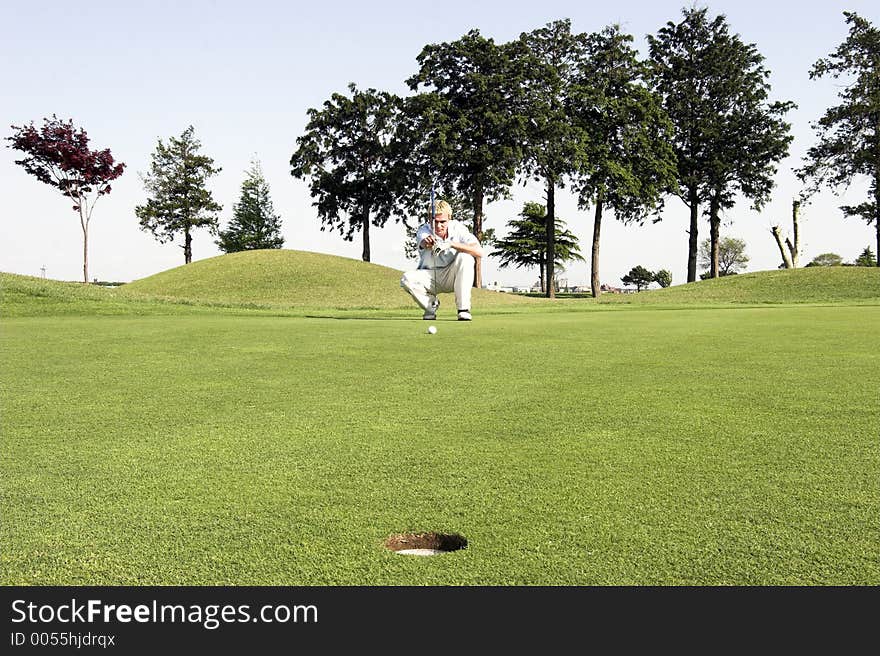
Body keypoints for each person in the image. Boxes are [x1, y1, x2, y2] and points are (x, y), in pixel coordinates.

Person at [400, 200, 484, 321]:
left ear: (449, 218)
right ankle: (431, 305)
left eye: (443, 222)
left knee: (466, 258)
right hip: (430, 277)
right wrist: (427, 242)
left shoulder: (458, 228)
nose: (438, 226)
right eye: (435, 222)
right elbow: (423, 242)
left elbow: (479, 252)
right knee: (406, 278)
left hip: (452, 276)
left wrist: (451, 244)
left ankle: (463, 309)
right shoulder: (423, 230)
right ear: (429, 220)